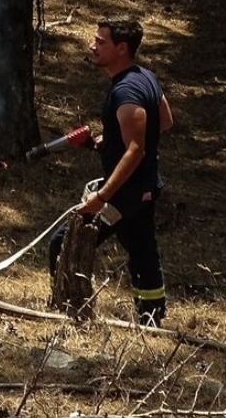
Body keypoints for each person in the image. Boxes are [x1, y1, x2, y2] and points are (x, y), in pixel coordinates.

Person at [48, 17, 174, 326]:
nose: (92, 46)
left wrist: (102, 197)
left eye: (101, 42)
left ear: (122, 48)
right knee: (142, 248)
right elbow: (165, 121)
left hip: (124, 194)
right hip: (144, 187)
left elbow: (136, 150)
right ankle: (152, 318)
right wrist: (114, 138)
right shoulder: (145, 77)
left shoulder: (126, 91)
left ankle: (68, 309)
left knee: (62, 242)